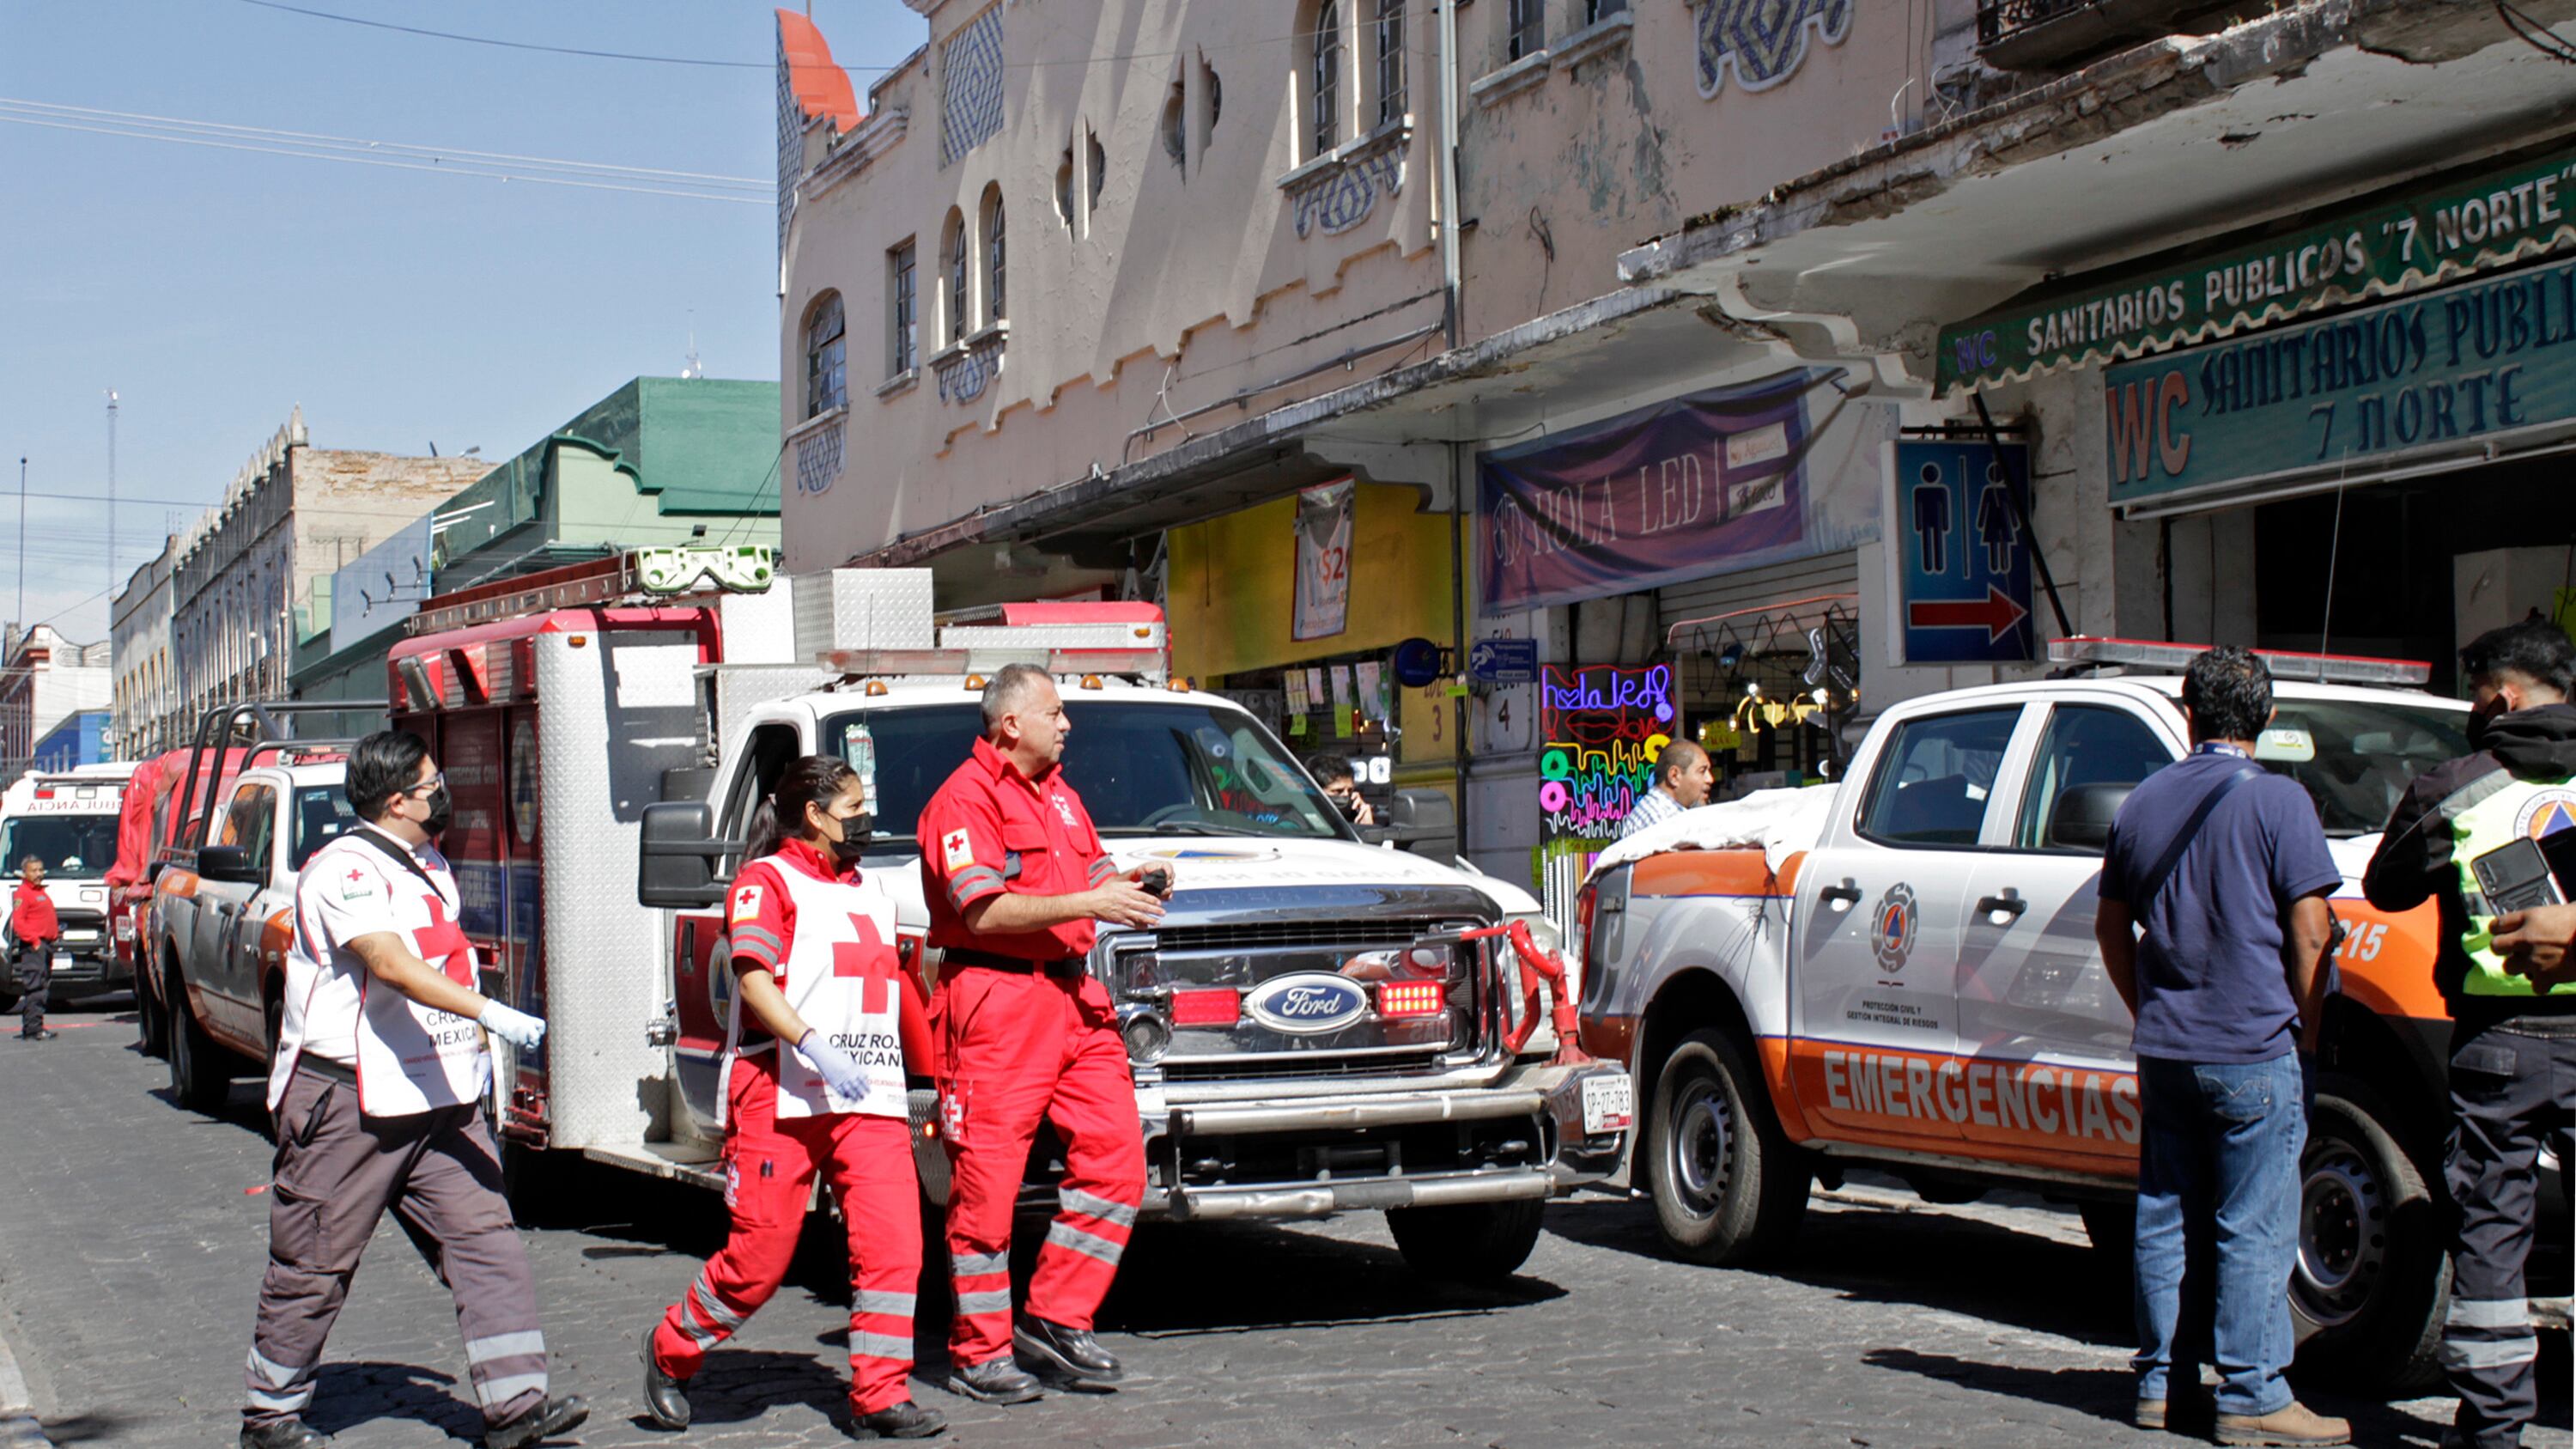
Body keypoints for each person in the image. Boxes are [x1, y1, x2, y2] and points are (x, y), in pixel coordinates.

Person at [240, 732, 585, 1449]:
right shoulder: (345, 869)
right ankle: (270, 1417)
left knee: (486, 1240)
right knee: (315, 1260)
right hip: (350, 1100)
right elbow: (389, 963)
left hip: (437, 1093)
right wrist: (487, 1011)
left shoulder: (423, 861)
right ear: (395, 800)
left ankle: (516, 1407)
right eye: (431, 785)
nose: (442, 793)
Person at [641, 756, 945, 1441]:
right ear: (814, 815)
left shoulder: (873, 890)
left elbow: (894, 988)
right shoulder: (765, 882)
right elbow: (753, 982)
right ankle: (671, 1347)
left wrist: (924, 1078)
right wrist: (814, 1043)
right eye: (854, 807)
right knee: (758, 1260)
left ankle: (880, 1395)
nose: (865, 819)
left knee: (895, 1246)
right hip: (779, 1087)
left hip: (865, 1092)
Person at [2093, 647, 2349, 1447]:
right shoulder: (2282, 803)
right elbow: (2310, 934)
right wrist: (2305, 1033)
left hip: (2167, 1048)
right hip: (2253, 1046)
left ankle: (2159, 1385)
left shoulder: (2142, 802)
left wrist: (2152, 1007)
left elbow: (2111, 925)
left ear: (2187, 710)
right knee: (2255, 1222)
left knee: (2165, 1217)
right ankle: (2254, 1394)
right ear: (2267, 718)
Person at [915, 664, 1170, 1403]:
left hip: (1073, 999)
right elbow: (984, 912)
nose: (1068, 724)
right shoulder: (963, 801)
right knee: (987, 1193)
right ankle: (979, 1354)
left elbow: (1093, 868)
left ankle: (1058, 1314)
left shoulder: (1059, 794)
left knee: (1120, 1161)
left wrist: (1132, 879)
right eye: (1056, 712)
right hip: (996, 1002)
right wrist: (1094, 896)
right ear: (1011, 724)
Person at [2362, 619, 2576, 1449]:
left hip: (2501, 1039)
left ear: (2504, 695)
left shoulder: (2459, 783)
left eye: (2478, 693)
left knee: (2492, 1236)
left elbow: (2384, 888)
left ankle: (2493, 1431)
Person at [1617, 739, 1714, 840]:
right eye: (1702, 771)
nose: (1710, 779)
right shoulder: (1660, 820)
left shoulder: (1665, 813)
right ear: (1674, 776)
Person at [10, 857, 59, 1041]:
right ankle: (33, 1029)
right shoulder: (23, 893)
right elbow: (19, 923)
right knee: (35, 987)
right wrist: (35, 941)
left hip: (44, 945)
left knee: (43, 985)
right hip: (33, 947)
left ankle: (34, 1026)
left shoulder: (39, 891)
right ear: (25, 873)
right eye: (34, 870)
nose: (39, 874)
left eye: (41, 869)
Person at [1309, 752, 1375, 826]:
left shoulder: (1355, 816)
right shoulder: (1301, 821)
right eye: (1338, 791)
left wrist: (1366, 826)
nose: (1346, 795)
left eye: (1350, 790)